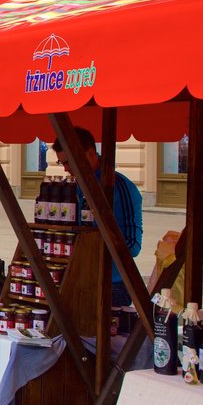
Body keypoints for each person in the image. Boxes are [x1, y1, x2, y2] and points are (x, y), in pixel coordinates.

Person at [52, 127, 143, 307]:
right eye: (62, 163)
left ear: (91, 154)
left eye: (70, 161)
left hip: (112, 283)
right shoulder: (70, 187)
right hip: (75, 278)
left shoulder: (119, 187)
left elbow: (132, 246)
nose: (66, 169)